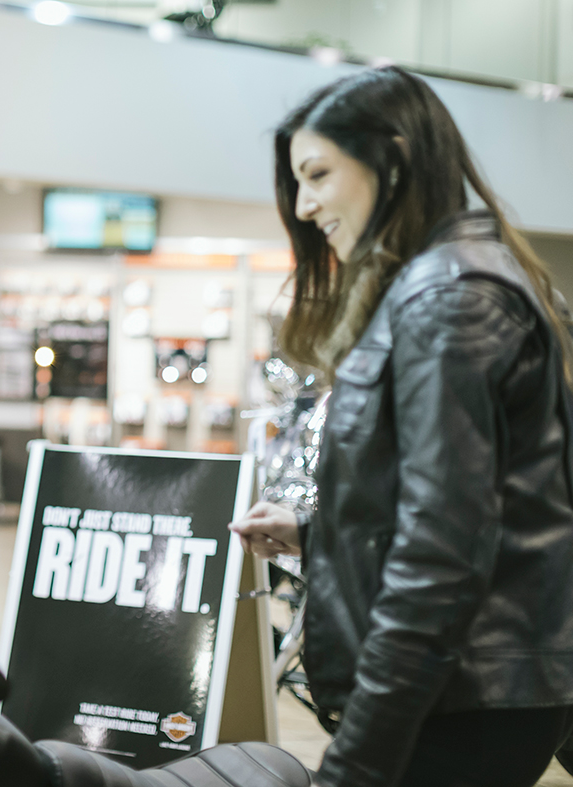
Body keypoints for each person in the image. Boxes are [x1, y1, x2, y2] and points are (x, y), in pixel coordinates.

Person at [230, 65, 573, 787]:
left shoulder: (448, 302)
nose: (305, 202)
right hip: (463, 693)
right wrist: (322, 534)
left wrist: (359, 761)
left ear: (392, 154)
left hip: (456, 702)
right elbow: (476, 512)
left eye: (318, 173)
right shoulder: (446, 283)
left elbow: (441, 559)